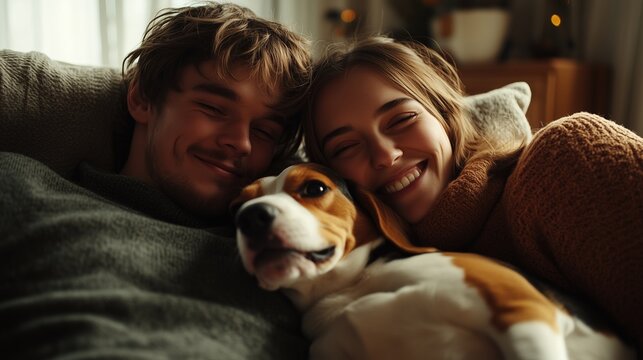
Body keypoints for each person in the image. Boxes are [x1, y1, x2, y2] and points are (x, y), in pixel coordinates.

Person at [0, 2, 311, 358]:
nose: (241, 143)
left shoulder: (287, 246)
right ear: (142, 98)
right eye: (213, 108)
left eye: (264, 131)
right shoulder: (20, 188)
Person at [303, 36, 643, 351]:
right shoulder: (371, 277)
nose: (384, 155)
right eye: (346, 147)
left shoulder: (560, 162)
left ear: (445, 114)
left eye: (401, 119)